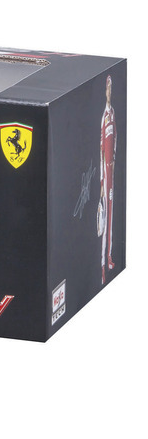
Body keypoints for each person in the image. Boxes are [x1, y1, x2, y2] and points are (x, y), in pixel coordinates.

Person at [100, 75, 116, 284]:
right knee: (104, 221)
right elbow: (100, 148)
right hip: (104, 172)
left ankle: (110, 256)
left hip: (112, 170)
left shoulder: (113, 114)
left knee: (111, 218)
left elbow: (116, 142)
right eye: (107, 88)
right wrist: (101, 184)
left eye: (111, 87)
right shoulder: (103, 117)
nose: (109, 91)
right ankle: (102, 265)